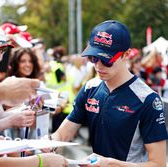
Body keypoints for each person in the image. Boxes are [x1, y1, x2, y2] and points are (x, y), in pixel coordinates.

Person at [49, 20, 167, 167]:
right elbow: (62, 134)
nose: (98, 65)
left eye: (106, 60)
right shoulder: (90, 88)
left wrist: (111, 164)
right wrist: (44, 146)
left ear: (126, 55)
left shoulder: (147, 99)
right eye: (94, 58)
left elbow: (159, 163)